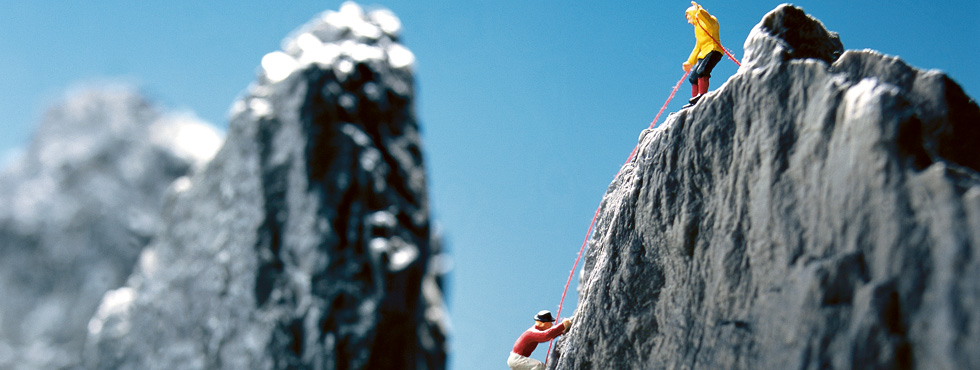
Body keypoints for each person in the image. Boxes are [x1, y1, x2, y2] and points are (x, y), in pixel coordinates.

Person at [682, 1, 725, 107]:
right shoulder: (697, 29)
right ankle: (694, 100)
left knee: (702, 71)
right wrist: (690, 62)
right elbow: (698, 47)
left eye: (689, 18)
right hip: (704, 54)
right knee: (693, 77)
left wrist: (699, 10)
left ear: (693, 14)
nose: (688, 22)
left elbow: (708, 18)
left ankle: (702, 95)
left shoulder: (711, 21)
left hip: (714, 51)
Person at [507, 310, 573, 370]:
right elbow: (546, 335)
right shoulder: (532, 332)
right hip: (516, 359)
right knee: (539, 366)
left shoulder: (537, 330)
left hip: (515, 359)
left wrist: (561, 331)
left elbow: (549, 336)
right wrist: (562, 325)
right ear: (544, 323)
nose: (552, 324)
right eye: (550, 322)